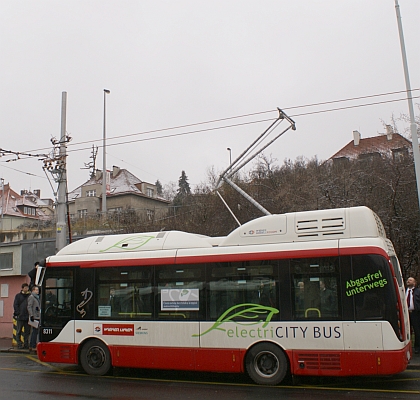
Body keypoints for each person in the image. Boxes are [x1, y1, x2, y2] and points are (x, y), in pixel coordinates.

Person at [13, 283, 31, 349]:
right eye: (25, 288)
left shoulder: (30, 296)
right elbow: (15, 305)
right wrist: (18, 313)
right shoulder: (18, 296)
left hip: (27, 317)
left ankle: (26, 344)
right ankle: (19, 344)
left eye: (27, 287)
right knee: (18, 331)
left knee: (27, 331)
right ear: (22, 288)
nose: (26, 289)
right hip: (20, 316)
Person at [406, 277, 420, 354]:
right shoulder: (404, 291)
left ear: (414, 283)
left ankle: (417, 347)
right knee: (406, 331)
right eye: (408, 280)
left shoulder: (418, 291)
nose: (408, 281)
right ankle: (408, 347)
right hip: (406, 314)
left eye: (410, 280)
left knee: (417, 331)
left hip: (415, 314)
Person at [27, 285, 41, 354]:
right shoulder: (32, 297)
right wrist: (31, 315)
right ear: (33, 291)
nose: (37, 291)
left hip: (38, 316)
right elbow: (29, 306)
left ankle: (33, 344)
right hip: (34, 316)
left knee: (36, 331)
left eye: (38, 290)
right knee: (34, 331)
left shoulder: (38, 297)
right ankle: (32, 345)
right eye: (36, 290)